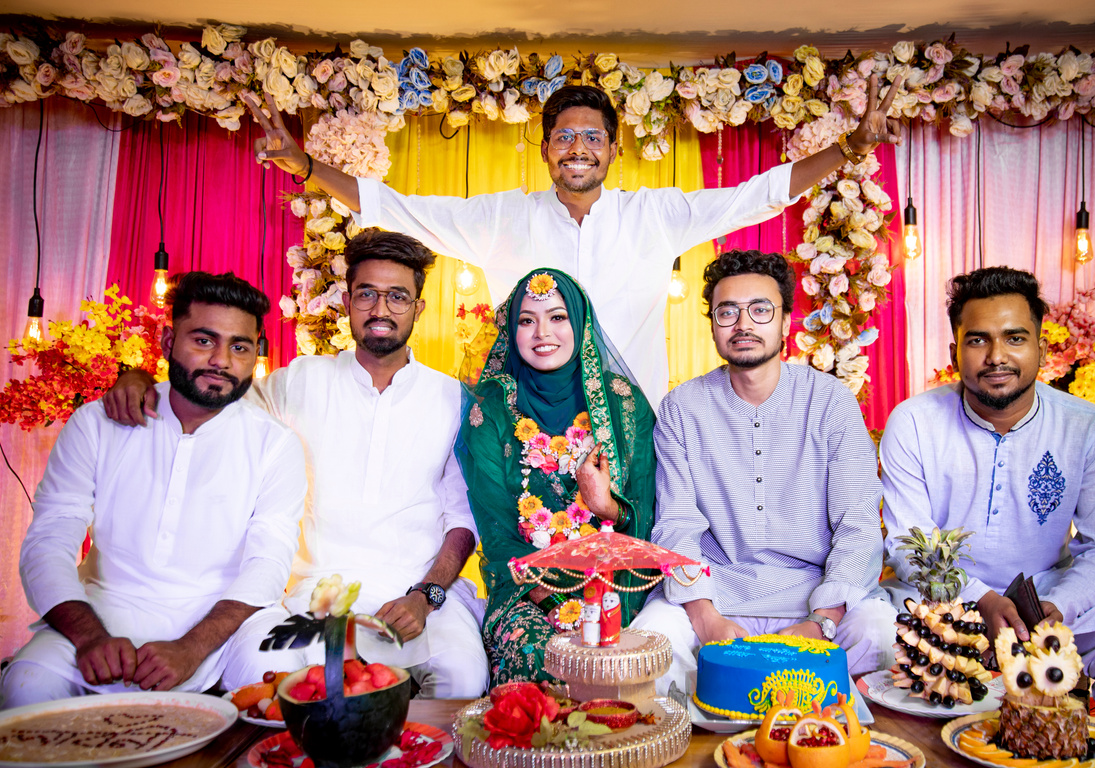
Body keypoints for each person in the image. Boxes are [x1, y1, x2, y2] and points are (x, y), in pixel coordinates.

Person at [242, 77, 904, 406]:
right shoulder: (504, 217)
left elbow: (762, 192)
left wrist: (851, 148)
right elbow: (399, 209)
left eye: (592, 137)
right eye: (564, 136)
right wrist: (306, 167)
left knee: (632, 590)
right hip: (533, 424)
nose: (578, 148)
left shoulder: (657, 214)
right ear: (546, 149)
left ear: (613, 149)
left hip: (635, 425)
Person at [102, 232, 487, 698]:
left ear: (419, 308)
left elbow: (460, 519)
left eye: (398, 296)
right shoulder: (299, 381)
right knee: (264, 681)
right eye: (367, 293)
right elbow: (215, 407)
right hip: (312, 595)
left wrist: (426, 596)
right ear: (347, 300)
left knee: (463, 679)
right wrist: (143, 377)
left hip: (415, 596)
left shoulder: (452, 399)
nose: (380, 310)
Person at [1, 273, 306, 708]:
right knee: (26, 687)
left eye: (239, 347)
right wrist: (90, 638)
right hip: (104, 615)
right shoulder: (97, 423)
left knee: (288, 687)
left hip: (224, 628)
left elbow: (268, 563)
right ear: (167, 342)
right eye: (204, 340)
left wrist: (191, 647)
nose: (221, 360)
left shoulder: (274, 443)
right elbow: (48, 541)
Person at [880, 266, 1095, 732]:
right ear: (955, 351)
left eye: (1015, 338)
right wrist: (978, 597)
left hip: (1048, 596)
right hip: (939, 600)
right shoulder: (915, 422)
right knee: (873, 635)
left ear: (1042, 348)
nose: (996, 356)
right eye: (979, 340)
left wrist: (1060, 606)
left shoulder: (1088, 427)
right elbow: (910, 543)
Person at [630, 250, 895, 694]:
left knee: (882, 635)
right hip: (715, 597)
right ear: (712, 324)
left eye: (760, 310)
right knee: (647, 648)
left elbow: (859, 525)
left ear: (785, 321)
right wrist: (706, 617)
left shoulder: (831, 403)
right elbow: (675, 526)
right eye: (727, 312)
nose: (743, 324)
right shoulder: (682, 409)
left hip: (816, 599)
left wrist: (822, 622)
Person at [455, 268, 656, 684]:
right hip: (524, 592)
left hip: (617, 582)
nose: (542, 332)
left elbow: (650, 511)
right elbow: (494, 530)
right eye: (527, 320)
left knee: (616, 661)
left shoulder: (621, 403)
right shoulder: (491, 410)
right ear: (512, 331)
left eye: (558, 317)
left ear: (580, 324)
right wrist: (550, 602)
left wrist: (607, 507)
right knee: (548, 662)